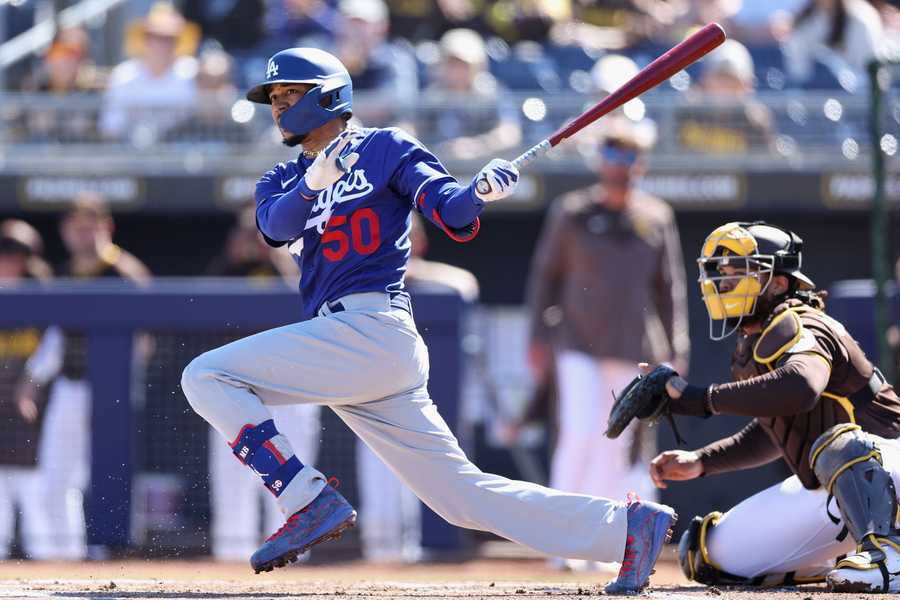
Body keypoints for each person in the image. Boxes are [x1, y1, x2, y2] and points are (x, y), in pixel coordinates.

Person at [179, 47, 676, 592]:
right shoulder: (279, 178)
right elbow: (275, 227)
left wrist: (481, 190)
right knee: (460, 499)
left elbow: (452, 210)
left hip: (373, 329)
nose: (277, 106)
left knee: (206, 375)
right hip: (349, 346)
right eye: (273, 98)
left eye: (288, 94)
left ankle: (306, 499)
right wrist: (314, 181)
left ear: (327, 95)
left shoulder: (386, 147)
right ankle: (625, 528)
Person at [648, 221, 900, 593]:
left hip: (888, 467)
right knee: (709, 554)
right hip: (839, 490)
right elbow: (779, 430)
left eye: (739, 274)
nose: (724, 283)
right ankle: (838, 563)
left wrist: (701, 399)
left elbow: (801, 387)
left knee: (838, 443)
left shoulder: (802, 323)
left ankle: (888, 560)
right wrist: (701, 461)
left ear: (779, 283)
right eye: (723, 274)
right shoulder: (756, 339)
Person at [525, 119, 689, 544]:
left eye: (629, 156)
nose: (620, 165)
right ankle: (557, 537)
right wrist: (538, 339)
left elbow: (670, 288)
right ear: (600, 161)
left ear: (642, 164)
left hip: (634, 348)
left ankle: (601, 538)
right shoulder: (572, 211)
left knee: (616, 443)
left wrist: (677, 349)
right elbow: (545, 277)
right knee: (579, 432)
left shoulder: (656, 217)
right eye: (613, 155)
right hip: (577, 342)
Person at [15, 194, 151, 560]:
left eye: (90, 226)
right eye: (76, 228)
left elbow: (144, 343)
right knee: (56, 476)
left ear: (107, 227)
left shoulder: (124, 271)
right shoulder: (62, 274)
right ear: (65, 231)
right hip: (69, 387)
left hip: (111, 390)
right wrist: (32, 380)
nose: (83, 235)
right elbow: (54, 339)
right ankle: (64, 555)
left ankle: (108, 549)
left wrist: (121, 393)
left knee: (106, 474)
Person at [206, 206, 321, 561]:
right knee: (233, 481)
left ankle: (294, 555)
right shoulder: (227, 271)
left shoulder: (300, 257)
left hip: (290, 386)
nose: (251, 242)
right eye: (246, 234)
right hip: (238, 389)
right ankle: (231, 557)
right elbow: (205, 304)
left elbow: (305, 298)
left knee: (292, 474)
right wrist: (235, 255)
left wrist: (274, 254)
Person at [0, 220, 53, 559]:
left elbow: (56, 346)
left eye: (17, 255)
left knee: (38, 486)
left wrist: (31, 381)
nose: (10, 262)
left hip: (36, 407)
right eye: (5, 254)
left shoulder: (44, 294)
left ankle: (50, 558)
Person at [100, 2, 200, 142]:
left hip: (180, 150)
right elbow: (111, 125)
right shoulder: (123, 75)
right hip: (131, 150)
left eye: (169, 39)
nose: (162, 45)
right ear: (145, 39)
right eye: (156, 37)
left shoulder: (192, 72)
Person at [421, 28, 522, 161]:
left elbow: (510, 134)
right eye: (452, 64)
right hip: (439, 171)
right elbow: (412, 128)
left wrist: (476, 145)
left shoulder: (491, 93)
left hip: (481, 170)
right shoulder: (432, 96)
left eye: (463, 65)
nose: (457, 72)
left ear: (478, 65)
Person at [676, 39, 775, 155]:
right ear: (705, 80)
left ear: (746, 85)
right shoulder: (686, 112)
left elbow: (764, 165)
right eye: (720, 80)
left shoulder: (754, 121)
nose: (725, 88)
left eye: (732, 81)